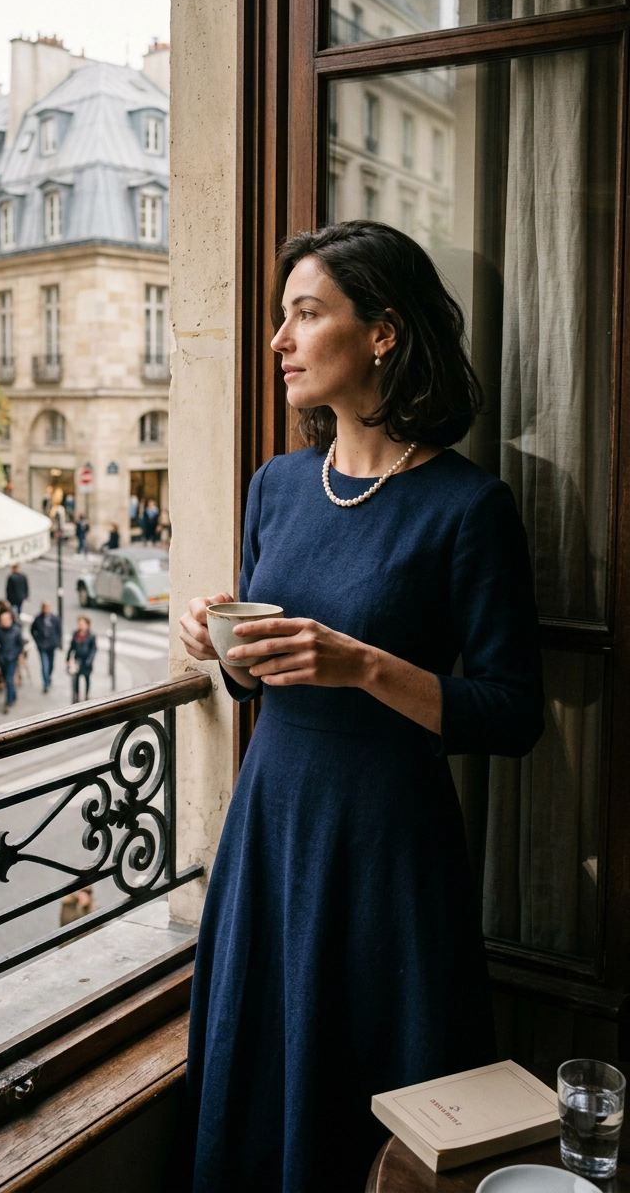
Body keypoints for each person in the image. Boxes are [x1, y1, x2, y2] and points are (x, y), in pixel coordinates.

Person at [180, 220, 545, 1191]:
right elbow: (259, 678)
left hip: (388, 846)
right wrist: (224, 646)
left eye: (306, 313)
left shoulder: (470, 507)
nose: (279, 340)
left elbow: (513, 713)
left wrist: (365, 666)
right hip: (272, 826)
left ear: (380, 332)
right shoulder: (277, 485)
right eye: (280, 318)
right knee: (260, 1078)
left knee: (375, 1103)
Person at [0, 609, 24, 713]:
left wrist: (16, 654)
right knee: (7, 679)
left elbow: (20, 645)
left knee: (9, 679)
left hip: (12, 658)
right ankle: (13, 695)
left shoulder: (16, 630)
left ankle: (8, 702)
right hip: (2, 658)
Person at [30, 601, 62, 693]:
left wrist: (58, 643)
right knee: (45, 664)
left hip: (51, 645)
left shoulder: (55, 619)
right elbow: (32, 630)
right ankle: (46, 683)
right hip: (42, 645)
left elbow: (59, 631)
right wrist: (37, 640)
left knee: (51, 664)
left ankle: (48, 677)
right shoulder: (38, 619)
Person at [67, 615, 96, 701]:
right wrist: (68, 658)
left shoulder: (91, 636)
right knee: (76, 679)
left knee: (87, 678)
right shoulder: (75, 634)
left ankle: (87, 694)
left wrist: (89, 660)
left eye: (82, 624)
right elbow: (71, 647)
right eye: (79, 624)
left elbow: (93, 649)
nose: (80, 625)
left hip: (86, 661)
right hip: (78, 660)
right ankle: (77, 695)